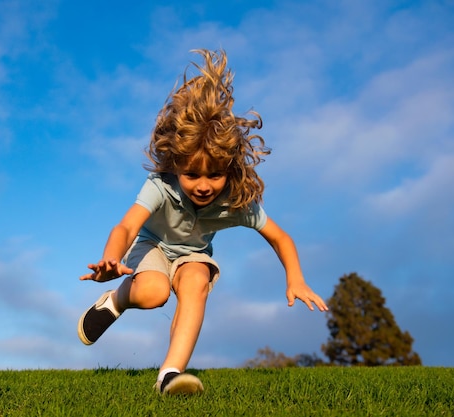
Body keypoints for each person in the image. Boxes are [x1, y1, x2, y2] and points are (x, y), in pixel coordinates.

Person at [78, 49, 328, 395]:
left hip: (192, 254)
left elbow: (280, 237)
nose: (204, 185)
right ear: (176, 165)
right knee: (154, 293)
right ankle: (116, 301)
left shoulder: (236, 201)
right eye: (192, 174)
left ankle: (169, 375)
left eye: (214, 175)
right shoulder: (160, 186)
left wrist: (295, 279)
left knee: (196, 279)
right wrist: (111, 258)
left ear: (229, 169)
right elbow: (126, 226)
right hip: (152, 245)